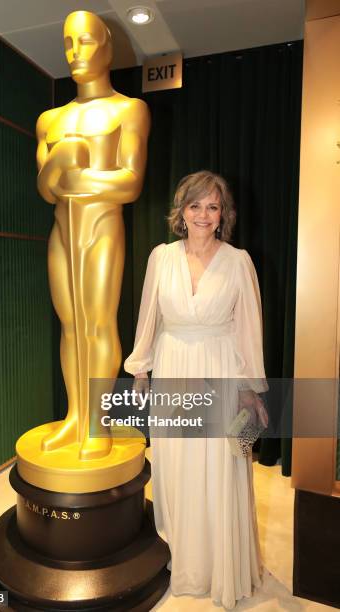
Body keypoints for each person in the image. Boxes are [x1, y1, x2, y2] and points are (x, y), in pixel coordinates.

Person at [124, 170, 269, 609]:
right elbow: (149, 316)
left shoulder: (238, 260)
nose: (203, 214)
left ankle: (219, 568)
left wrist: (250, 389)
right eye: (195, 205)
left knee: (219, 467)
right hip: (172, 369)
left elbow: (248, 329)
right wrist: (140, 370)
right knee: (176, 466)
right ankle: (184, 561)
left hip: (219, 369)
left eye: (213, 206)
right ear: (180, 211)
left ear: (223, 214)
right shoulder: (160, 257)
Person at [36, 11, 150, 459]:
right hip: (62, 232)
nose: (74, 52)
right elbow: (45, 190)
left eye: (84, 41)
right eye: (67, 42)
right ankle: (75, 416)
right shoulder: (51, 120)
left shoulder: (130, 109)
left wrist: (70, 169)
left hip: (102, 228)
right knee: (70, 326)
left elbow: (129, 183)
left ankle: (98, 422)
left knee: (99, 322)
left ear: (107, 46)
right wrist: (65, 157)